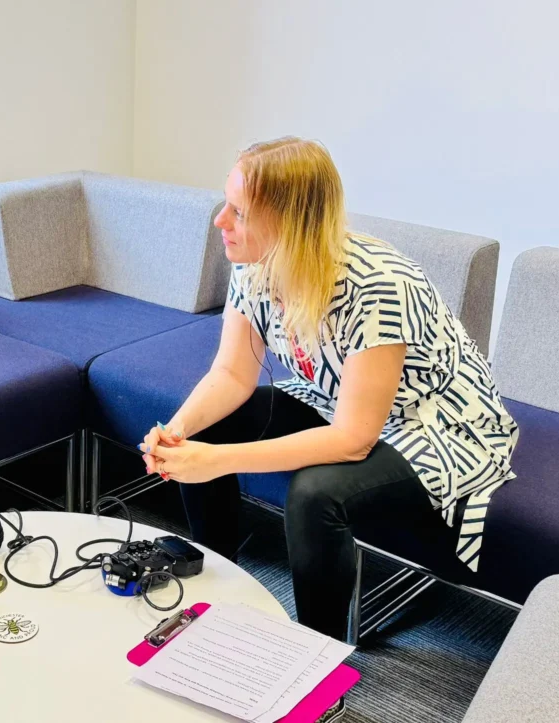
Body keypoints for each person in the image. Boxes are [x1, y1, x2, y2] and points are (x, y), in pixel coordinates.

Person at [141, 137, 518, 641]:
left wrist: (218, 460)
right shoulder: (254, 264)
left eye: (239, 211)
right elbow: (231, 375)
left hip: (436, 425)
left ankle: (314, 655)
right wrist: (179, 433)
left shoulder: (380, 287)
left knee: (315, 495)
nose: (220, 221)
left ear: (291, 224)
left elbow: (352, 439)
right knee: (207, 427)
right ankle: (219, 590)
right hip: (339, 396)